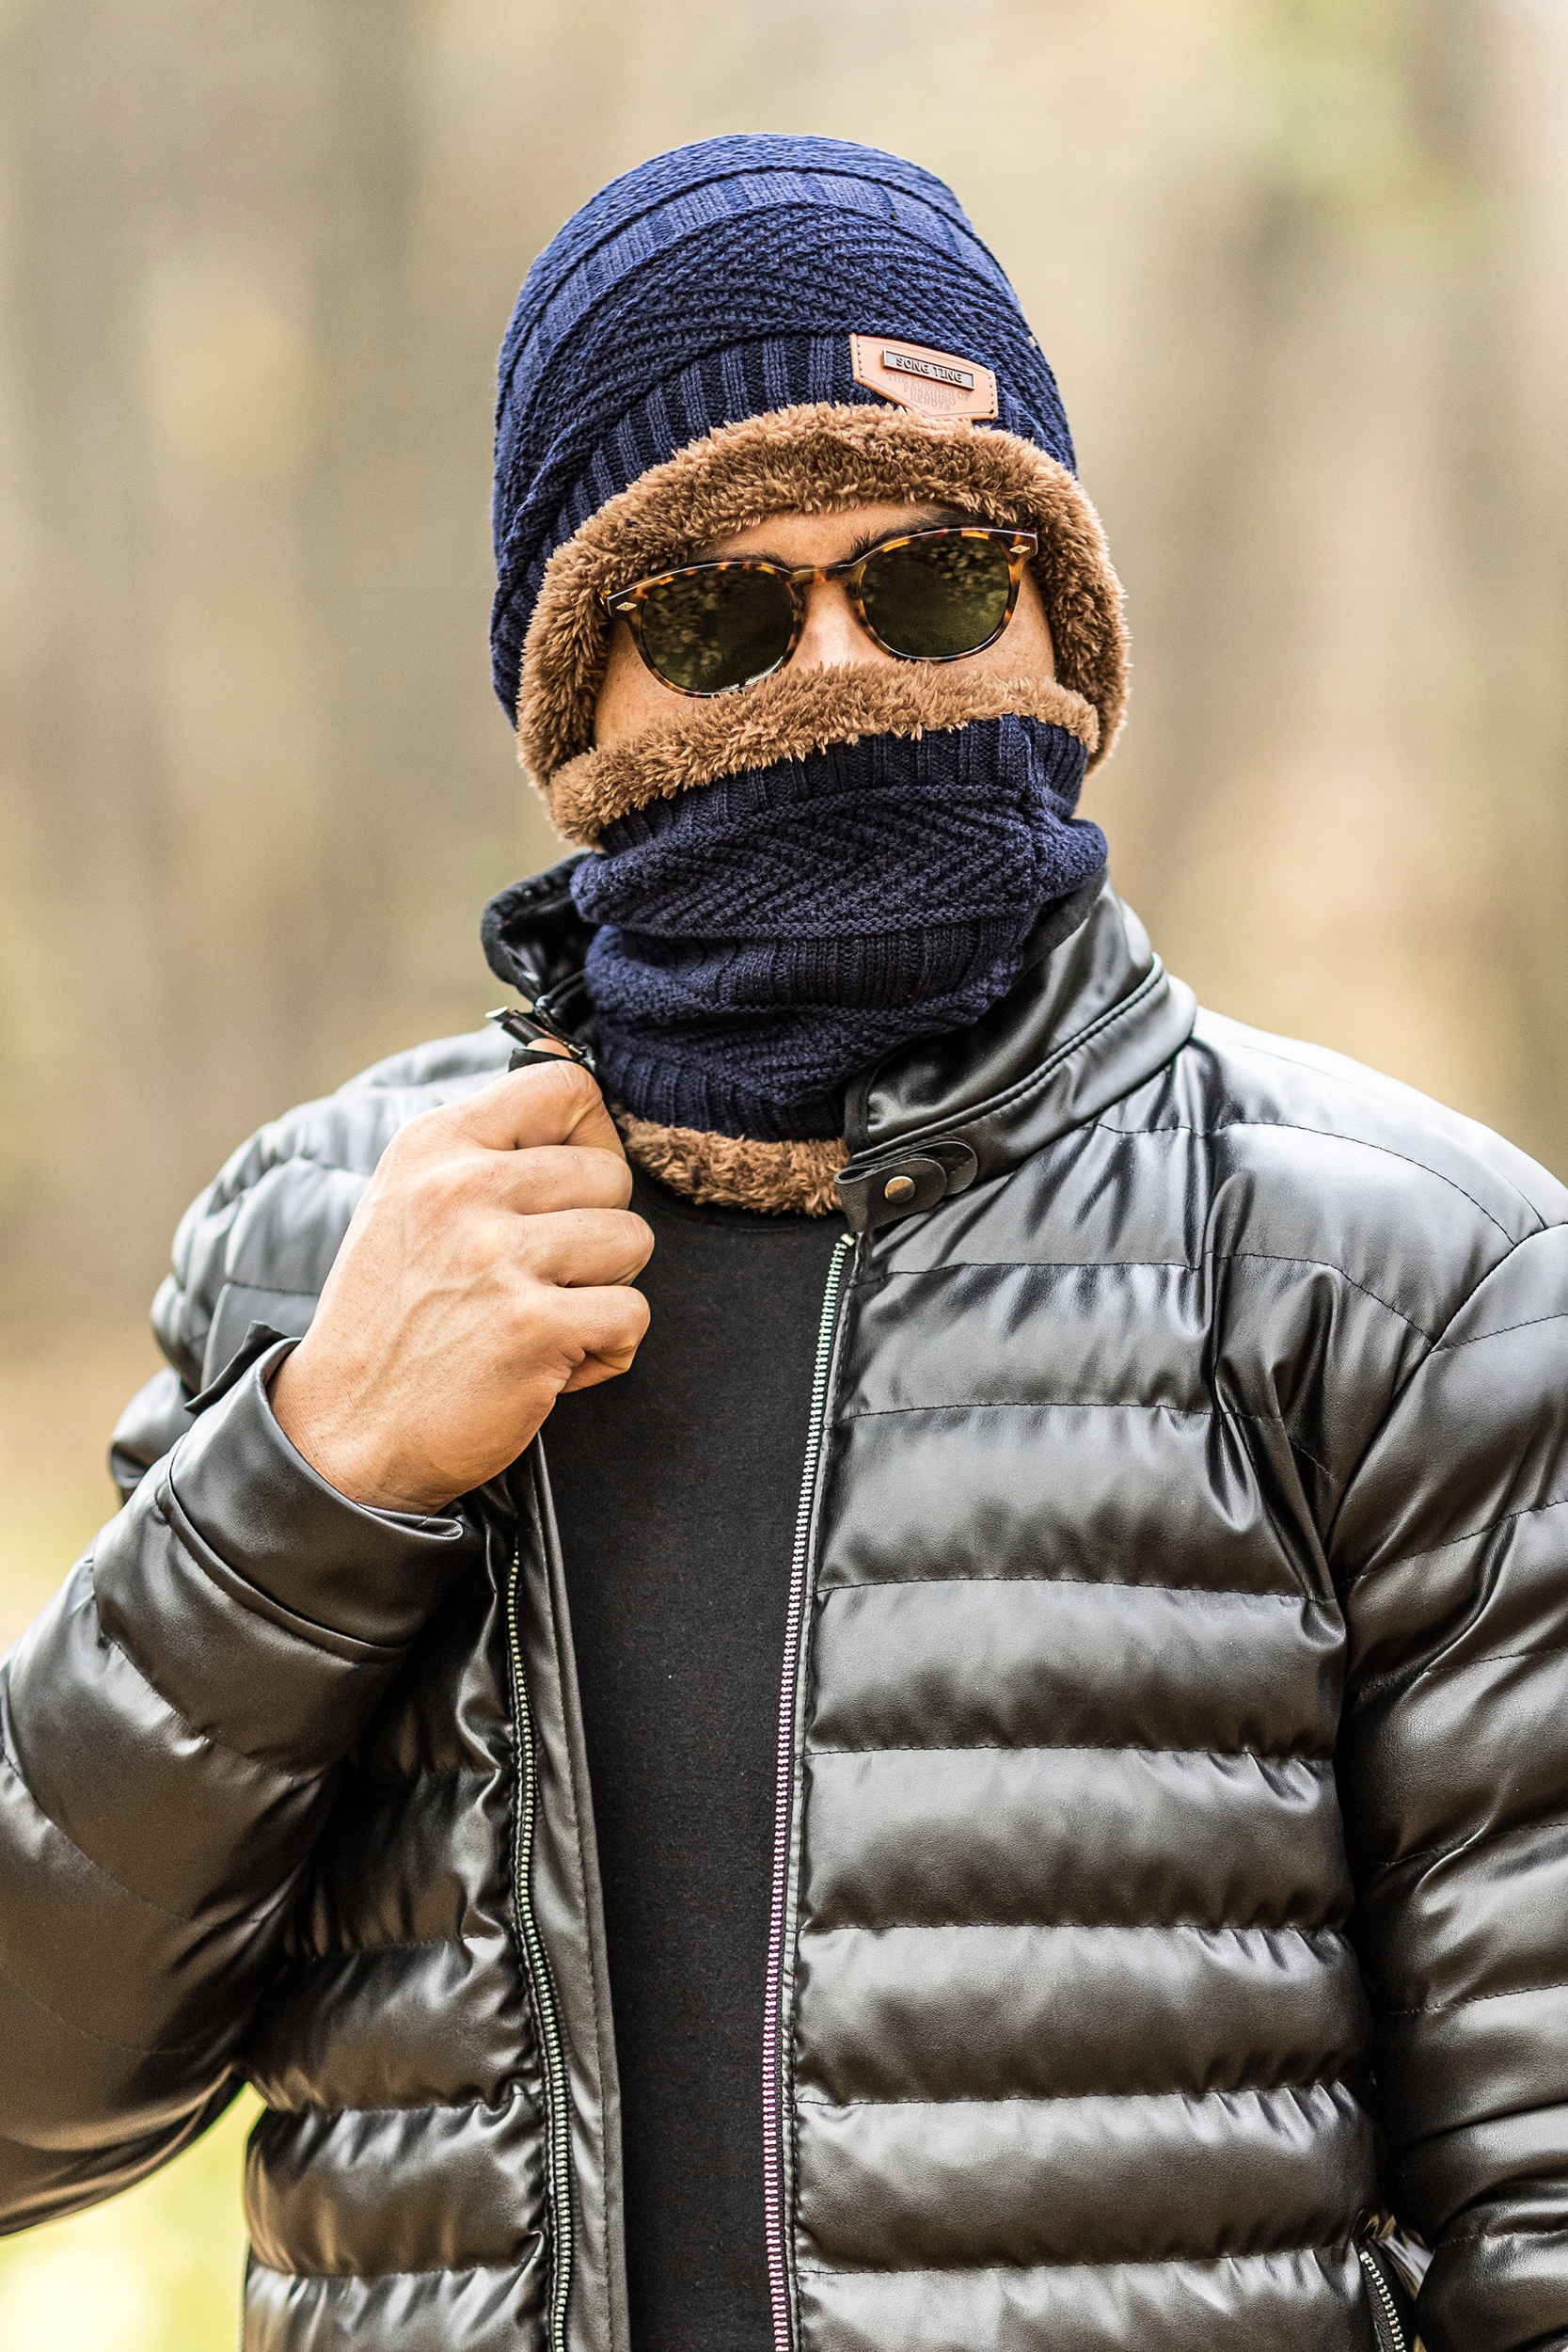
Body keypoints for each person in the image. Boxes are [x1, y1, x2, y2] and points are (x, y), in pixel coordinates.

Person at [1, 134, 1564, 2352]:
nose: (836, 668)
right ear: (575, 696)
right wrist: (315, 1468)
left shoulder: (1398, 1280)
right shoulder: (320, 1251)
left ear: (1061, 620)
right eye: (716, 615)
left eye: (928, 580)